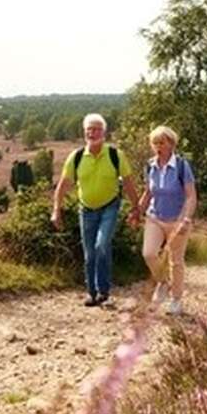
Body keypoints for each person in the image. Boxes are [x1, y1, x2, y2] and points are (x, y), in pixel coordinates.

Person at [51, 113, 140, 307]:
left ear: (104, 133)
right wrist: (56, 210)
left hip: (110, 206)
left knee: (101, 245)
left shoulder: (116, 156)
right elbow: (63, 186)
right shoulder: (75, 157)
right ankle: (91, 293)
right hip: (86, 210)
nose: (93, 133)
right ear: (84, 133)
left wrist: (136, 208)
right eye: (89, 129)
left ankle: (103, 290)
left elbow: (129, 183)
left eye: (97, 129)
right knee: (90, 253)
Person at [136, 125, 197, 315]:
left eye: (161, 142)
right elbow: (148, 193)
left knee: (176, 261)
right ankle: (163, 282)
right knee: (149, 253)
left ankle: (176, 300)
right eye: (154, 143)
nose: (157, 146)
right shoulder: (150, 166)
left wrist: (186, 219)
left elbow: (191, 195)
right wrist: (137, 211)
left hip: (177, 220)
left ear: (171, 144)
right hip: (155, 217)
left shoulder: (181, 166)